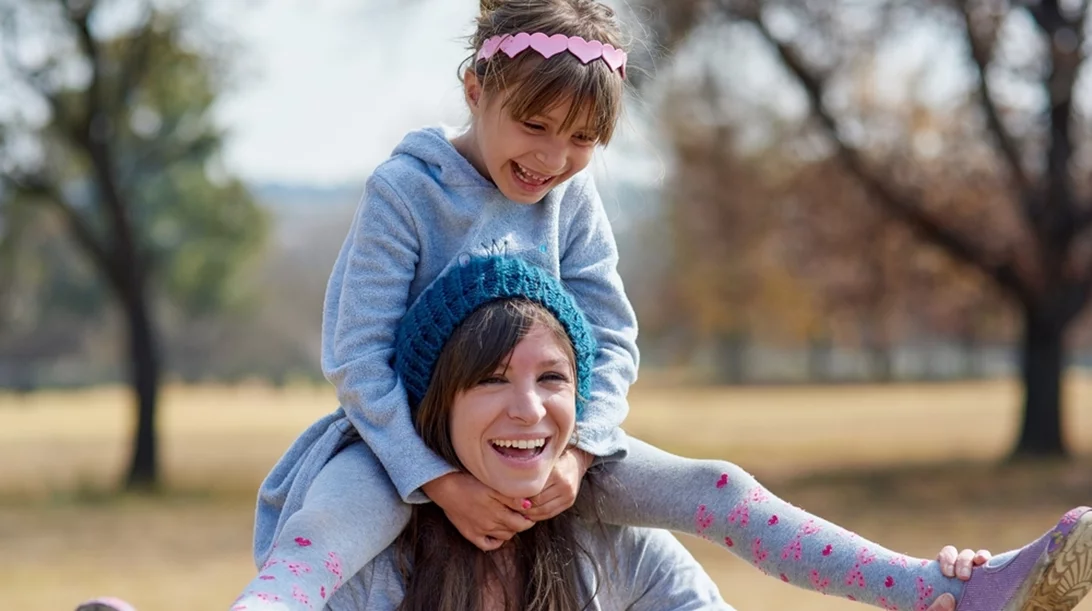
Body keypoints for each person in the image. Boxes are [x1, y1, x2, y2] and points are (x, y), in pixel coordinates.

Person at [235, 0, 1092, 610]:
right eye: (535, 127)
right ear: (474, 90)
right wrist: (437, 481)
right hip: (396, 443)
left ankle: (942, 590)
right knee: (323, 544)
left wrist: (585, 448)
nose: (553, 159)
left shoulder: (568, 194)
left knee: (719, 485)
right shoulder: (407, 189)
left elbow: (608, 332)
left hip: (544, 432)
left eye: (581, 140)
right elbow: (355, 354)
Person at [230, 256, 980, 611]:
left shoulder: (612, 542)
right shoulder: (368, 561)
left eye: (552, 378)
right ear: (434, 405)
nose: (528, 407)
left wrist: (943, 598)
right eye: (491, 379)